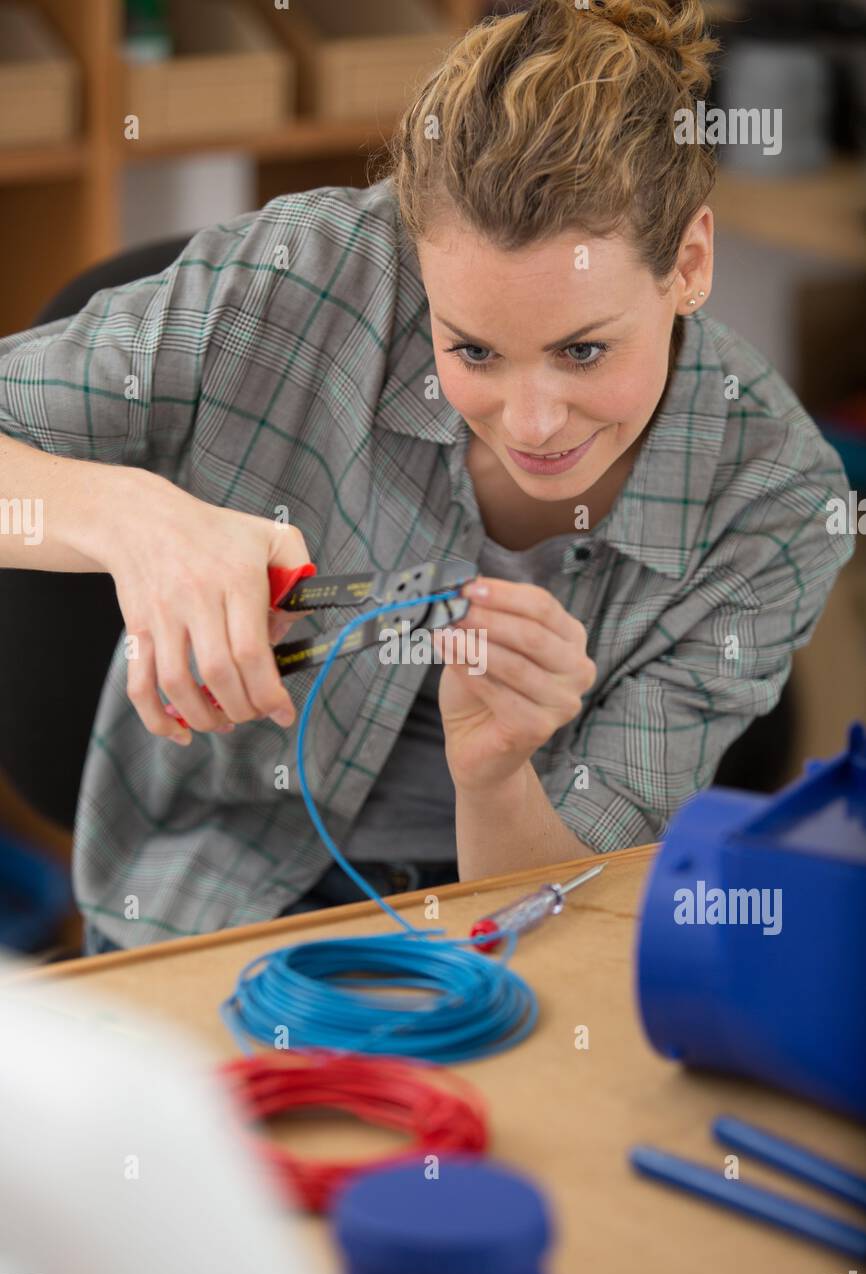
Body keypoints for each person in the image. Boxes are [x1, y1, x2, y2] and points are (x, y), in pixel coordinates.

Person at [0, 0, 853, 952]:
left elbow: (557, 923)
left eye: (581, 352)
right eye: (473, 350)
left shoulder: (777, 503)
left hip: (505, 943)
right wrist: (133, 519)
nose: (532, 426)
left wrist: (494, 777)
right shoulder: (299, 283)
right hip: (200, 910)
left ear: (688, 265)